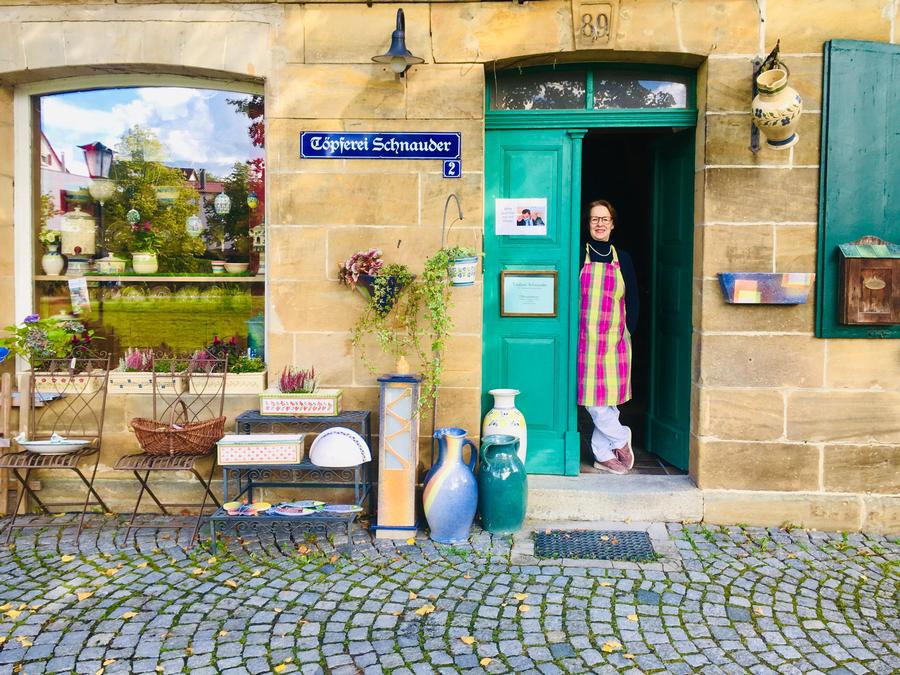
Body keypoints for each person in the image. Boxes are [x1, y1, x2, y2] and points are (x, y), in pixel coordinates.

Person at [577, 199, 639, 474]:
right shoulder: (579, 255)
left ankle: (602, 455)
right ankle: (620, 437)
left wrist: (629, 330)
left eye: (604, 219)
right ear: (588, 224)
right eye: (594, 219)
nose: (599, 224)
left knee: (608, 398)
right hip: (586, 340)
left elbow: (633, 298)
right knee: (593, 400)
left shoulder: (622, 258)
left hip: (614, 340)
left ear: (612, 224)